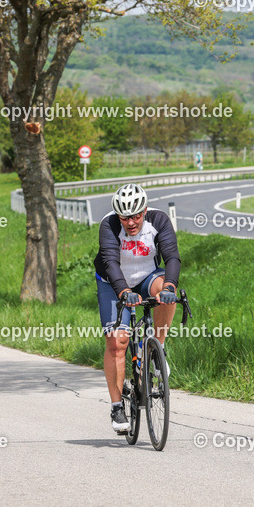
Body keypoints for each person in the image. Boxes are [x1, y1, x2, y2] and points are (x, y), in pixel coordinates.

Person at [93, 183, 180, 433]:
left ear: (144, 210)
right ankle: (116, 406)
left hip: (146, 276)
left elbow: (171, 257)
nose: (130, 222)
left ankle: (155, 348)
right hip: (113, 282)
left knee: (166, 292)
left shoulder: (158, 220)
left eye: (136, 216)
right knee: (117, 342)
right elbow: (110, 262)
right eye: (125, 217)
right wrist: (123, 291)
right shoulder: (109, 224)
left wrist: (170, 286)